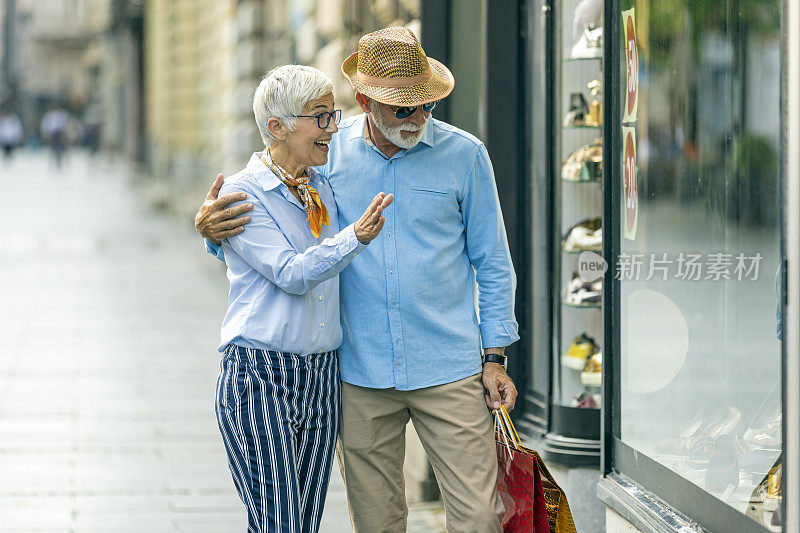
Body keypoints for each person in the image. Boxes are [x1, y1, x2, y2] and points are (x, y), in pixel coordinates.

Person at [197, 28, 519, 532]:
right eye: (402, 109)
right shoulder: (329, 156)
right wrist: (214, 231)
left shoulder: (465, 156)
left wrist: (495, 357)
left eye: (426, 106)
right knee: (376, 523)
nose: (417, 119)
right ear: (366, 101)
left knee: (480, 516)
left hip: (450, 366)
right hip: (359, 373)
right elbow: (274, 209)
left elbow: (493, 262)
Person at [211, 64, 393, 533]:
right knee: (280, 522)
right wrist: (356, 236)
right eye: (320, 117)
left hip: (320, 376)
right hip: (260, 373)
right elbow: (292, 274)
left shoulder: (320, 186)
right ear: (277, 127)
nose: (332, 128)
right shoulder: (242, 194)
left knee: (303, 524)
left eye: (333, 115)